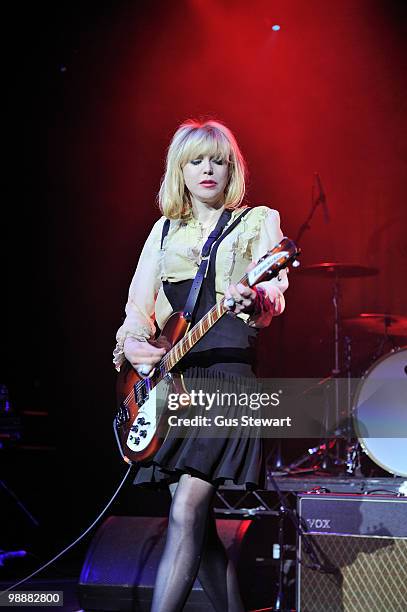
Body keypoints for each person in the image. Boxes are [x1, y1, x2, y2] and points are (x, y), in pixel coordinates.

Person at [113, 119, 289, 612]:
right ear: (180, 171)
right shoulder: (164, 230)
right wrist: (132, 346)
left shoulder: (257, 221)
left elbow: (274, 295)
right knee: (195, 525)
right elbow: (136, 312)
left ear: (231, 168)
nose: (208, 169)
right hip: (174, 387)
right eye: (196, 161)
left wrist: (253, 297)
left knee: (187, 507)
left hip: (229, 383)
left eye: (218, 160)